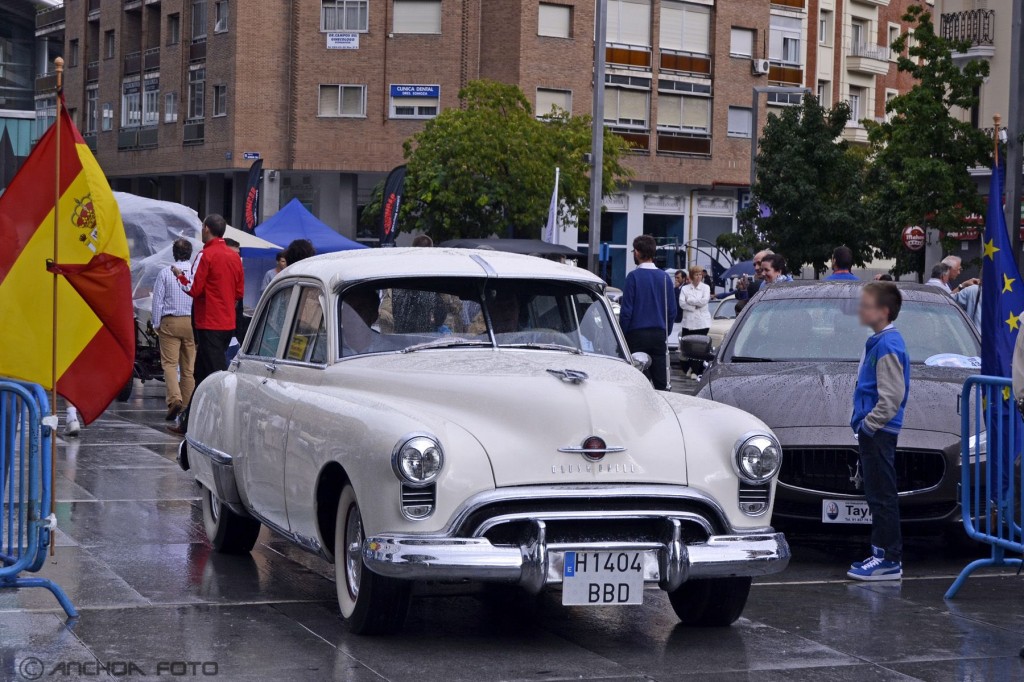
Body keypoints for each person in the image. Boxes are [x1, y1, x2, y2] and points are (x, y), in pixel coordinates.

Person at [847, 281, 910, 581]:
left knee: (882, 495)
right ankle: (880, 554)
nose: (861, 310)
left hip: (880, 431)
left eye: (867, 305)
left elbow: (892, 397)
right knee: (876, 494)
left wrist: (868, 425)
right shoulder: (879, 341)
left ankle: (888, 559)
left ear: (883, 311)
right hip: (875, 431)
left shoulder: (887, 345)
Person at [169, 214, 244, 434]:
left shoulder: (205, 254)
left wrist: (179, 275)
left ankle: (227, 427)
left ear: (207, 229)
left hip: (208, 322)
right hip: (226, 322)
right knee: (201, 374)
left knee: (217, 376)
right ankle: (188, 422)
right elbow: (239, 292)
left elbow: (193, 288)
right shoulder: (234, 258)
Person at [619, 235, 677, 391]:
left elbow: (626, 312)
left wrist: (621, 336)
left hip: (636, 335)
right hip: (659, 334)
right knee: (661, 384)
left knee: (637, 383)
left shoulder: (633, 277)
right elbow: (671, 311)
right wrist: (665, 331)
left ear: (637, 253)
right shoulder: (665, 278)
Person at [151, 238, 196, 421]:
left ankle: (174, 399)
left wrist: (156, 323)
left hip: (170, 322)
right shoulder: (195, 272)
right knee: (188, 368)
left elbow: (157, 301)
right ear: (190, 253)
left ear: (174, 253)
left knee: (169, 364)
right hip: (192, 323)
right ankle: (188, 406)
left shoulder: (164, 273)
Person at [678, 265, 712, 378]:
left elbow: (704, 301)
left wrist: (691, 300)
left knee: (699, 347)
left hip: (702, 322)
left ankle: (695, 371)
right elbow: (682, 303)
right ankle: (691, 367)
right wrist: (693, 307)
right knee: (688, 346)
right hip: (689, 322)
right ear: (692, 276)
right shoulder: (685, 289)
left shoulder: (705, 287)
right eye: (696, 274)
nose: (698, 277)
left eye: (700, 274)